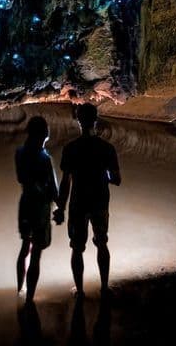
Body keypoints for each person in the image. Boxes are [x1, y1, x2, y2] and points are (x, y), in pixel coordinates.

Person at [56, 103, 121, 297]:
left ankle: (80, 290)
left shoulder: (71, 149)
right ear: (96, 120)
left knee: (77, 247)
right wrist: (103, 175)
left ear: (78, 121)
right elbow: (117, 179)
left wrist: (60, 207)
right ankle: (104, 287)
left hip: (78, 202)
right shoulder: (107, 148)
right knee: (102, 242)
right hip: (100, 200)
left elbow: (65, 181)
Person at [15, 116, 61, 303]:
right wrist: (60, 208)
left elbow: (21, 179)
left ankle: (20, 289)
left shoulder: (19, 153)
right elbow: (54, 190)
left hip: (25, 203)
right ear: (43, 134)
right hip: (40, 207)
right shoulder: (45, 159)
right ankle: (30, 299)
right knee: (36, 254)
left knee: (25, 246)